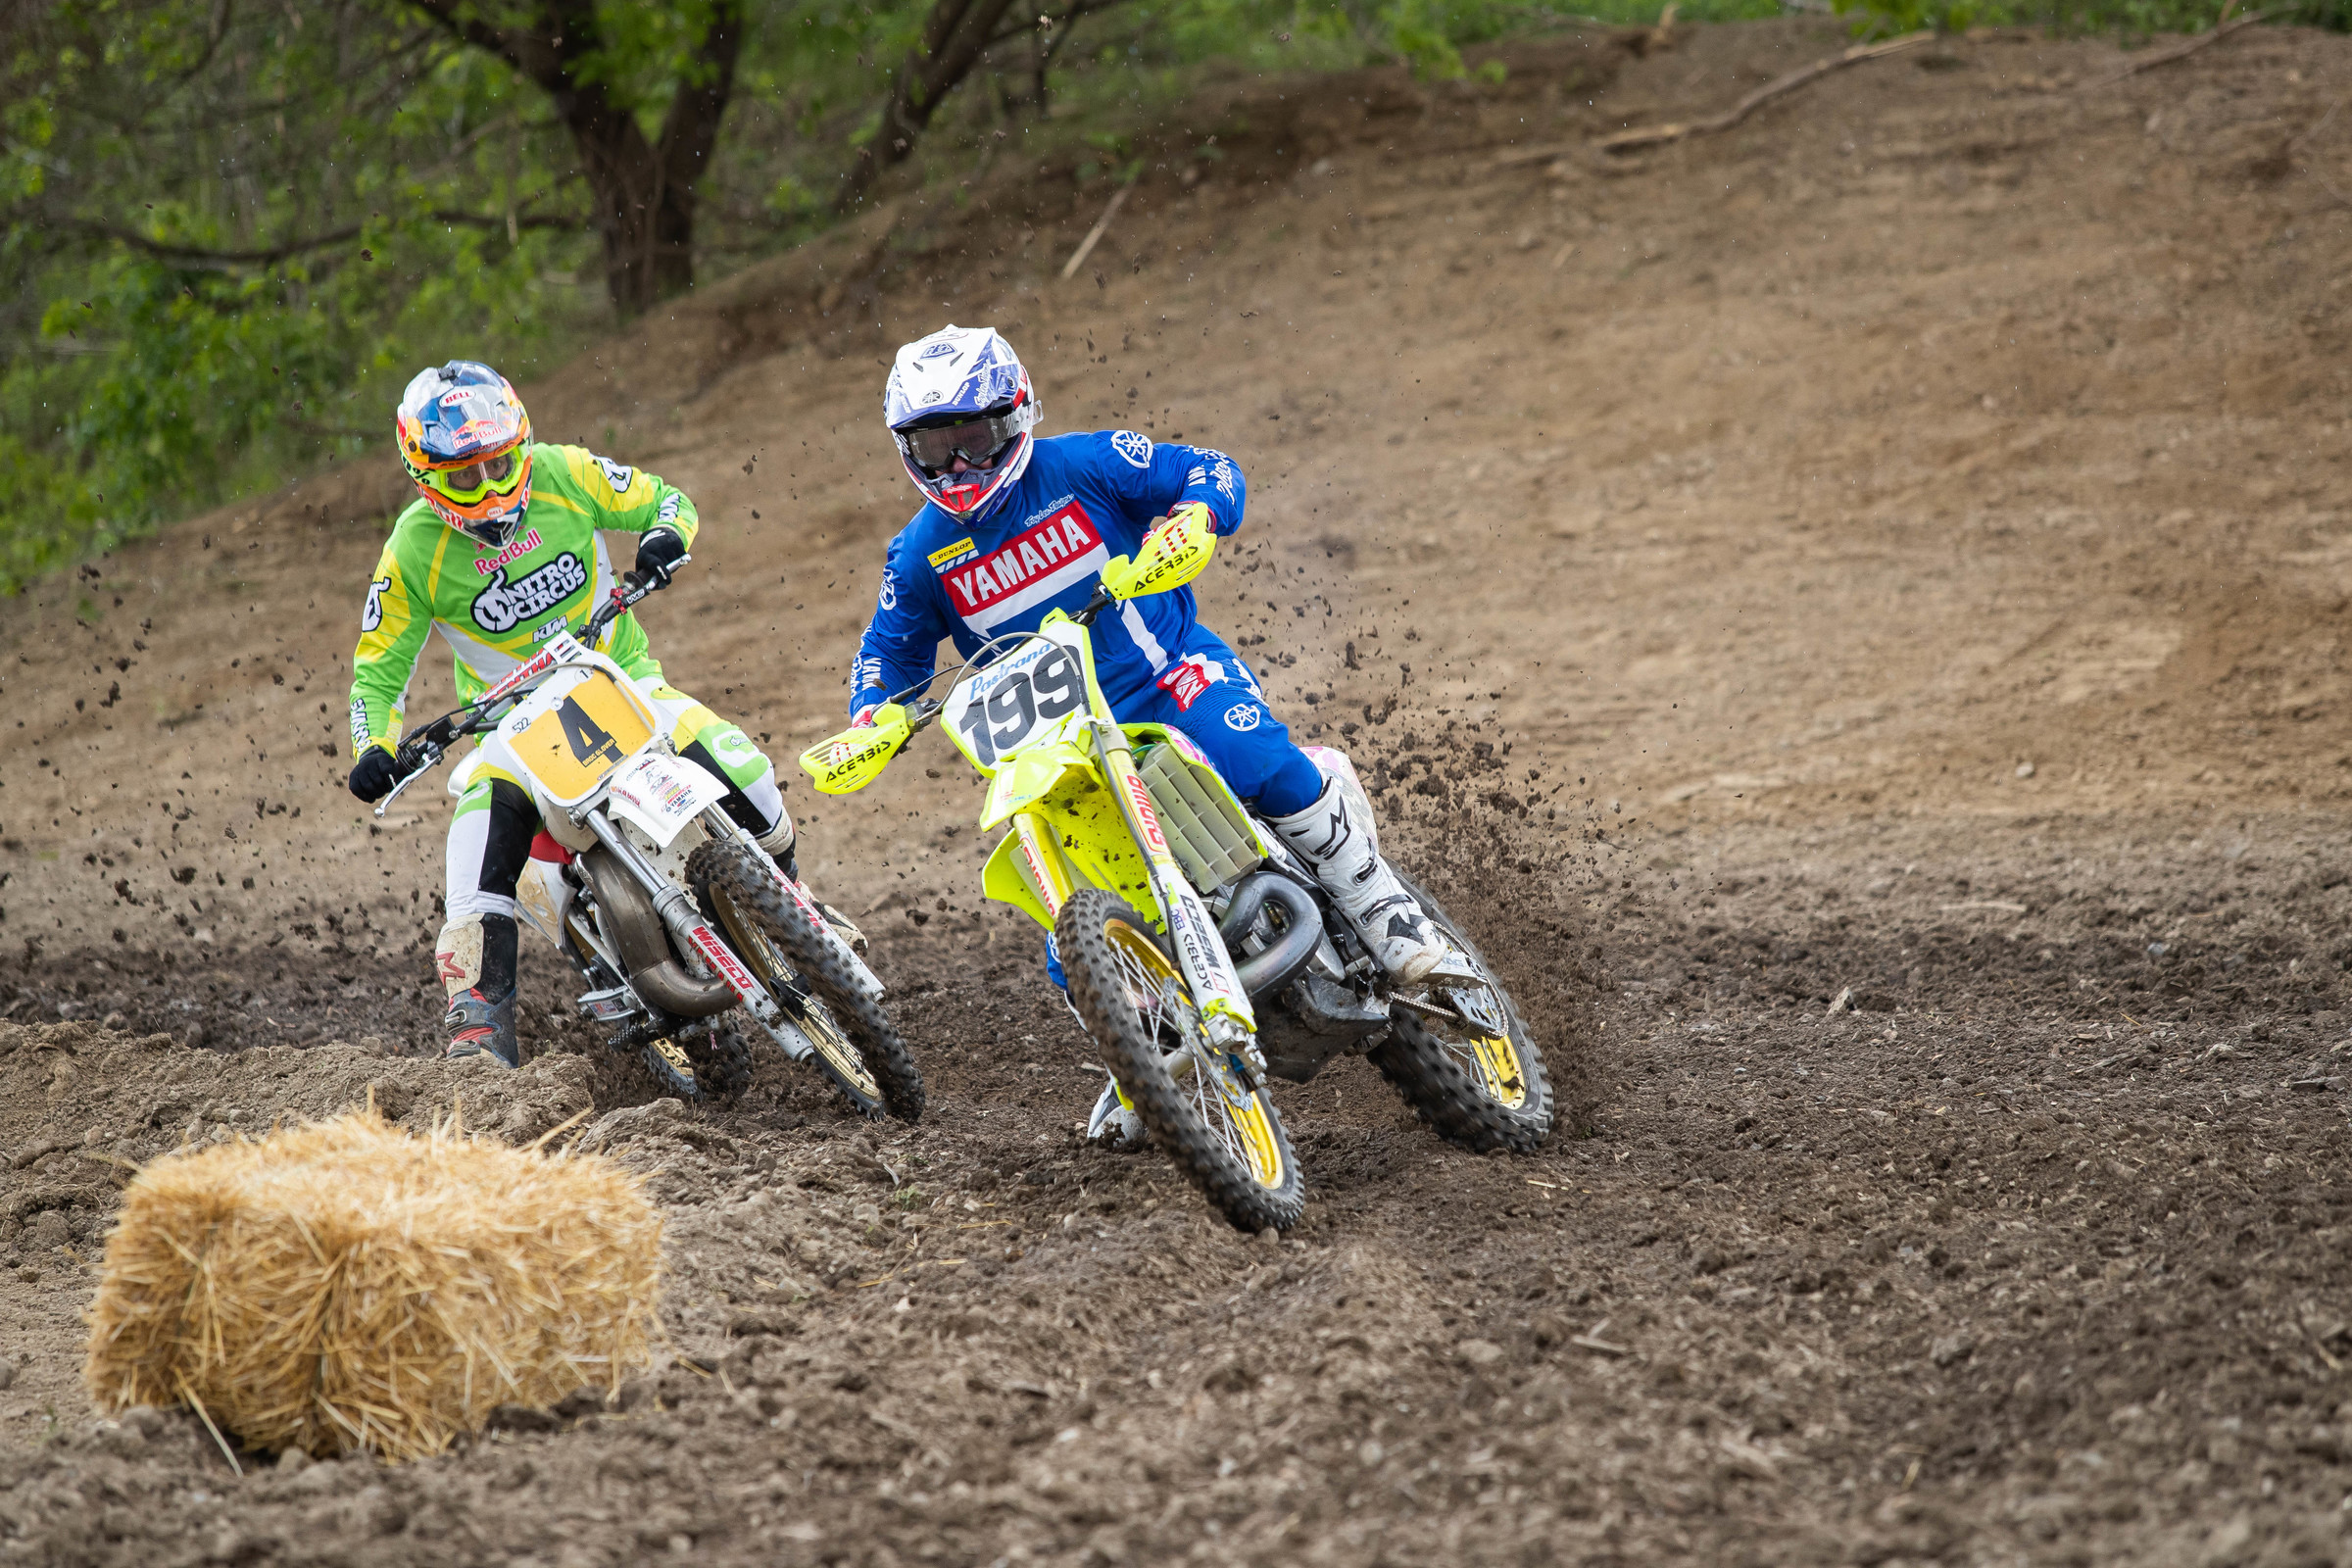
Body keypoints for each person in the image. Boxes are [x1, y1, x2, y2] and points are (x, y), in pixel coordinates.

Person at [846, 324, 1446, 1144]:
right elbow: (888, 651)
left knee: (1252, 758)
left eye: (973, 439)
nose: (957, 466)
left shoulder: (1087, 463)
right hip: (1059, 750)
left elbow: (1210, 470)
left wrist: (1193, 518)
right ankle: (1143, 1049)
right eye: (933, 446)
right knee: (1056, 905)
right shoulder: (919, 553)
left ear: (1016, 418)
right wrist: (873, 716)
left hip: (1167, 682)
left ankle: (1380, 905)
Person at [345, 360, 808, 1067]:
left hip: (617, 679)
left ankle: (798, 913)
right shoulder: (412, 548)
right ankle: (477, 1024)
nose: (493, 489)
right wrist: (372, 748)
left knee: (746, 771)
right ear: (425, 474)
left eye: (503, 464)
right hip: (512, 723)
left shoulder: (565, 472)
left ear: (523, 444)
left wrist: (664, 537)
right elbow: (377, 670)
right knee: (473, 844)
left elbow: (668, 501)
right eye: (466, 476)